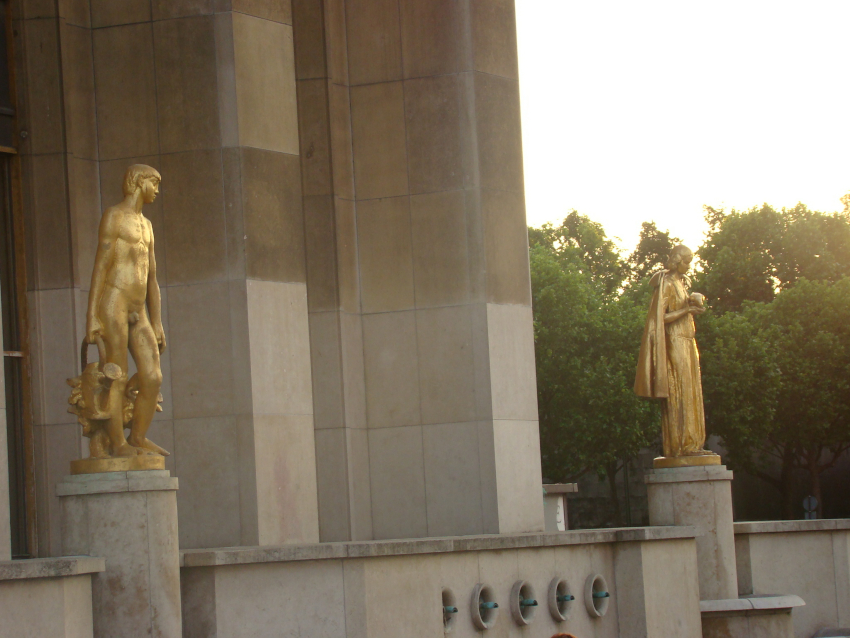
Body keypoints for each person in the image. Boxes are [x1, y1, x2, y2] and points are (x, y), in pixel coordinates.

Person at [85, 164, 167, 457]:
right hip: (114, 303)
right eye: (153, 183)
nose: (156, 190)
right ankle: (118, 444)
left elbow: (153, 278)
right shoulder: (114, 216)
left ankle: (138, 438)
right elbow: (101, 266)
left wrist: (157, 321)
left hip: (138, 309)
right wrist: (91, 315)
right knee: (117, 375)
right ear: (138, 182)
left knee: (152, 376)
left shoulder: (147, 225)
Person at [634, 244, 712, 458]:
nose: (689, 266)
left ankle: (694, 443)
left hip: (688, 341)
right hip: (674, 341)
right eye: (686, 261)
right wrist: (686, 310)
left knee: (692, 391)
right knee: (680, 389)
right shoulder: (666, 283)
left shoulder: (682, 283)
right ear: (677, 260)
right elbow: (660, 317)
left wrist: (690, 304)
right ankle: (680, 445)